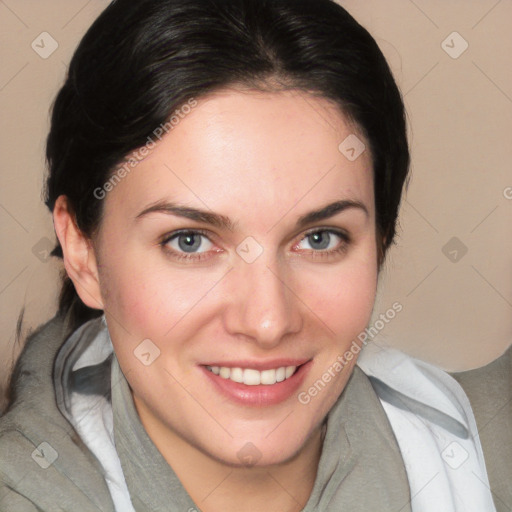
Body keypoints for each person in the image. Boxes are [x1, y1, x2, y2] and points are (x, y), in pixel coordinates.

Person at [0, 0, 499, 510]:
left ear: (380, 241)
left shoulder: (485, 457)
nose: (267, 321)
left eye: (320, 238)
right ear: (83, 254)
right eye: (189, 241)